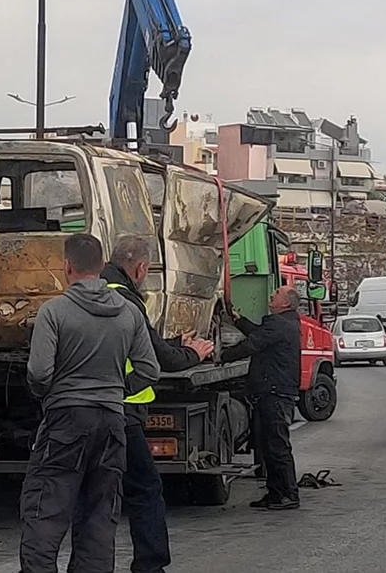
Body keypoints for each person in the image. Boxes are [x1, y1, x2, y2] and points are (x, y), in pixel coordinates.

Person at [19, 234, 160, 573]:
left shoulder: (54, 312)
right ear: (102, 266)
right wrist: (116, 389)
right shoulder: (129, 312)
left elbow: (39, 372)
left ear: (67, 266)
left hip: (66, 420)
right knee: (100, 511)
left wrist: (48, 393)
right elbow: (149, 370)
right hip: (112, 422)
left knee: (47, 507)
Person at [99, 235, 214, 573]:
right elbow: (156, 360)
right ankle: (150, 565)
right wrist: (192, 353)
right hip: (125, 412)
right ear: (140, 269)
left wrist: (174, 342)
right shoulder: (127, 301)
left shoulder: (95, 292)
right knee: (145, 489)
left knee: (92, 491)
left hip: (84, 408)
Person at [219, 285, 303, 511]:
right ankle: (276, 493)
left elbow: (253, 344)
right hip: (275, 391)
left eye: (277, 293)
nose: (272, 295)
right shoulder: (287, 323)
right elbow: (258, 334)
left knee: (277, 446)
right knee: (268, 445)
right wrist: (238, 320)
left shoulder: (278, 324)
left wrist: (222, 356)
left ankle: (289, 494)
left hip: (274, 393)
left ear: (285, 303)